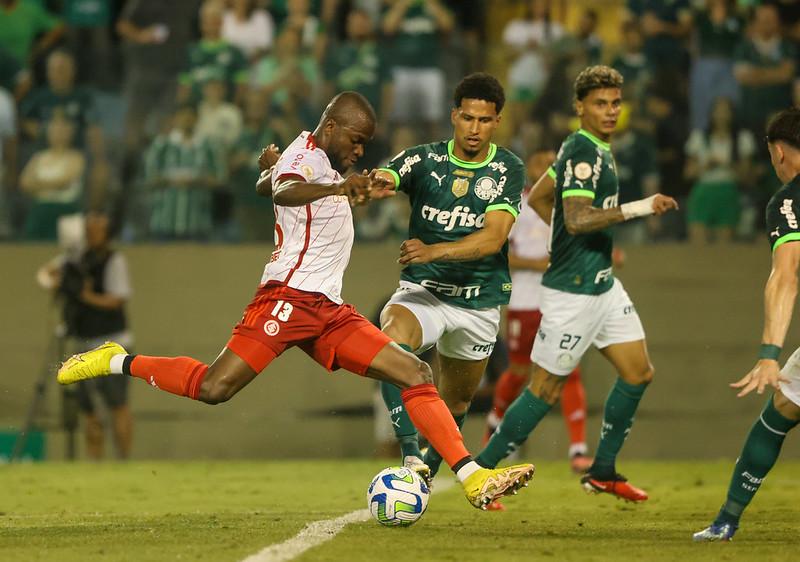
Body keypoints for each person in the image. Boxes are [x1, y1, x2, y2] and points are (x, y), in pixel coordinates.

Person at [56, 91, 534, 509]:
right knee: (214, 388)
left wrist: (275, 171)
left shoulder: (308, 156)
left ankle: (472, 477)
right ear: (332, 127)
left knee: (413, 370)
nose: (360, 150)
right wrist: (329, 185)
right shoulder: (308, 159)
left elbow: (271, 183)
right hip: (286, 300)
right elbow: (286, 190)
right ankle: (117, 360)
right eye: (356, 140)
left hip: (327, 309)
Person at [476, 65, 678, 502]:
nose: (610, 112)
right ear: (579, 107)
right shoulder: (585, 152)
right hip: (573, 292)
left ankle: (603, 471)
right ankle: (481, 472)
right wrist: (640, 207)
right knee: (544, 389)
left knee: (638, 372)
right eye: (600, 104)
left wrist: (562, 240)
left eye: (615, 103)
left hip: (603, 285)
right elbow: (578, 217)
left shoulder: (585, 146)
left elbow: (540, 198)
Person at [371, 73, 525, 485]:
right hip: (425, 292)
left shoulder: (508, 167)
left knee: (456, 400)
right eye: (468, 118)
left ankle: (424, 477)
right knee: (392, 348)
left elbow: (494, 238)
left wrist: (434, 249)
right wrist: (379, 183)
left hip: (478, 300)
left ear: (497, 122)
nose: (475, 129)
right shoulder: (425, 159)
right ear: (454, 115)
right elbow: (389, 174)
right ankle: (409, 455)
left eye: (485, 120)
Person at [693, 108, 800, 541]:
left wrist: (769, 353)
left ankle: (726, 521)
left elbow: (786, 275)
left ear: (777, 152)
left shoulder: (790, 200)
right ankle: (725, 520)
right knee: (785, 406)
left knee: (777, 411)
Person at [482, 148, 593, 477]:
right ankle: (494, 426)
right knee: (518, 372)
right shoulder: (514, 203)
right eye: (540, 162)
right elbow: (497, 252)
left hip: (558, 300)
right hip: (524, 302)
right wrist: (538, 264)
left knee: (568, 370)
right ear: (528, 165)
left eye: (551, 164)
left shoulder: (572, 204)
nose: (545, 168)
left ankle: (578, 450)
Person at [40, 209, 134, 460]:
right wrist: (59, 283)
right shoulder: (76, 259)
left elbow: (117, 299)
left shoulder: (114, 260)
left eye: (96, 228)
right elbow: (46, 274)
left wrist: (84, 295)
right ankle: (95, 461)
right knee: (88, 409)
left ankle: (123, 459)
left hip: (112, 342)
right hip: (82, 341)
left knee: (117, 404)